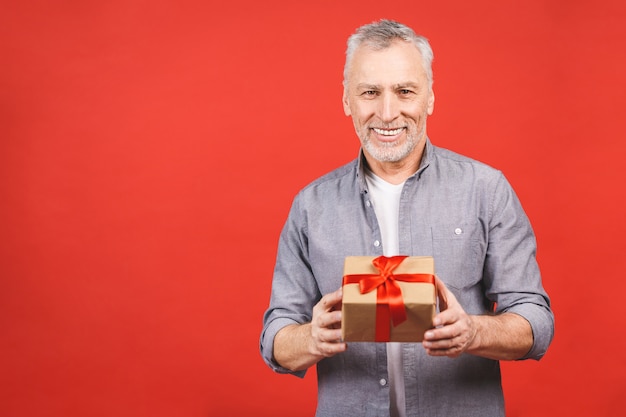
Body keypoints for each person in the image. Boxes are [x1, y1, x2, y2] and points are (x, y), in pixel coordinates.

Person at [260, 19, 554, 417]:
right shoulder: (311, 206)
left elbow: (536, 321)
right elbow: (275, 338)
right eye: (369, 92)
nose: (387, 112)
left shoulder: (486, 189)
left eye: (404, 91)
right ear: (347, 100)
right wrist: (309, 338)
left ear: (429, 98)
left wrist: (473, 331)